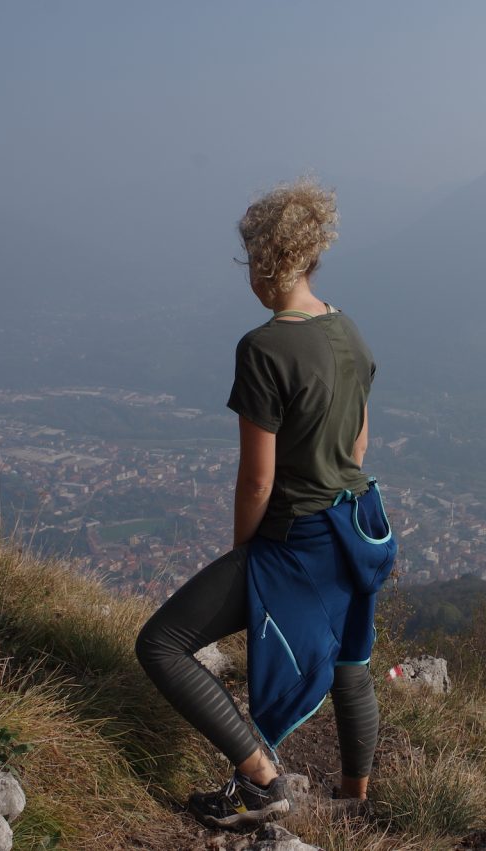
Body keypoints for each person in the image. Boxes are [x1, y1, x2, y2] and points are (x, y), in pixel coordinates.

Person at [135, 178, 393, 830]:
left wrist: (246, 557)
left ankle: (262, 779)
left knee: (161, 643)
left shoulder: (264, 349)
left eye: (249, 257)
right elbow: (359, 442)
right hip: (358, 525)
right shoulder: (348, 331)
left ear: (265, 260)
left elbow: (257, 480)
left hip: (297, 539)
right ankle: (355, 800)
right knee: (351, 658)